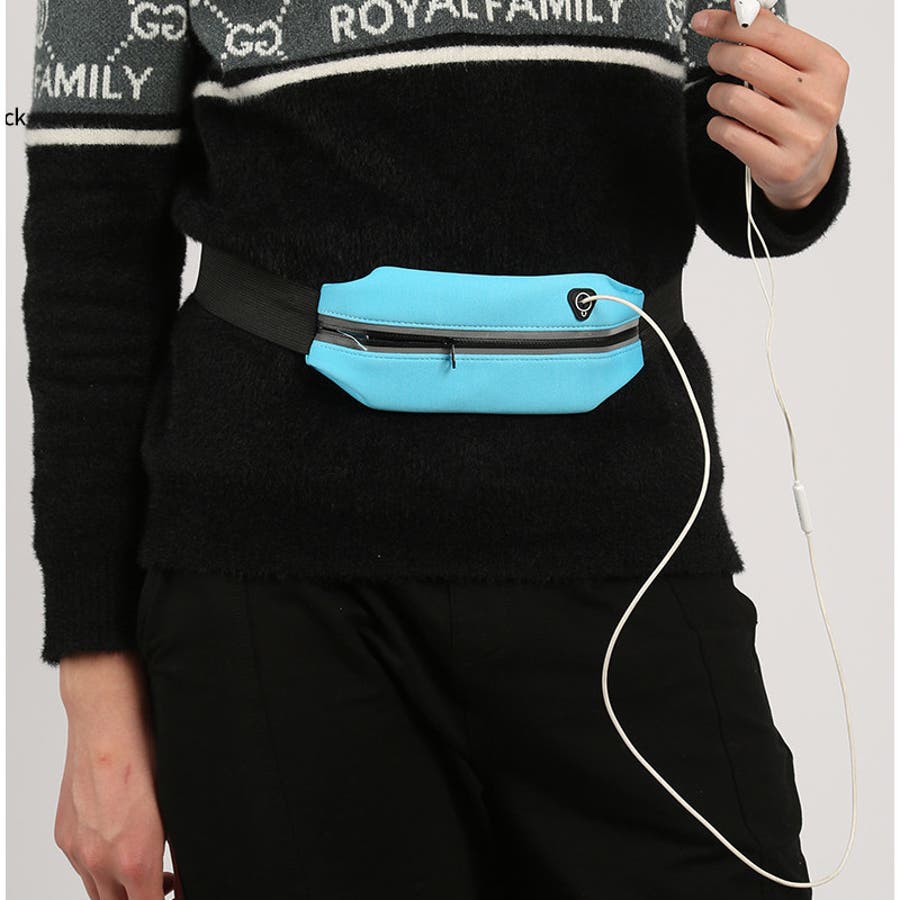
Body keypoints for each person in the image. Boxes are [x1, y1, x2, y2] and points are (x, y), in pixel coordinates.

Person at [21, 0, 850, 897]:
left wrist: (800, 167)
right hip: (277, 584)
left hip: (632, 559)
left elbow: (729, 163)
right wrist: (96, 689)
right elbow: (90, 256)